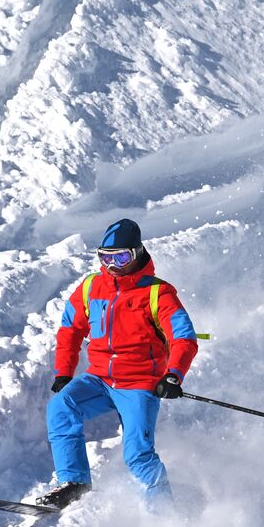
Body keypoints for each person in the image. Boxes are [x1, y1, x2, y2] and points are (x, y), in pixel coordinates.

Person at [39, 218, 199, 509]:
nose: (112, 265)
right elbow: (69, 330)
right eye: (105, 257)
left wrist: (173, 375)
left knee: (138, 455)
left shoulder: (157, 294)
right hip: (99, 380)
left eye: (121, 257)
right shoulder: (90, 287)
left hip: (139, 384)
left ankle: (164, 516)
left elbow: (184, 338)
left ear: (136, 254)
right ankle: (74, 483)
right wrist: (64, 372)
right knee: (61, 407)